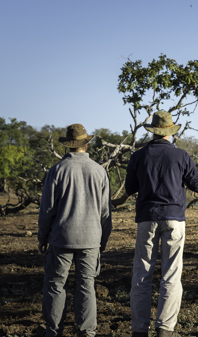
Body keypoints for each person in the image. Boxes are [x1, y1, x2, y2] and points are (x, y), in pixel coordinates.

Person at [125, 111, 198, 337]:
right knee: (171, 275)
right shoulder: (181, 155)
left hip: (146, 218)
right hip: (174, 219)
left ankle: (139, 330)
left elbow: (130, 188)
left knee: (141, 274)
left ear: (153, 131)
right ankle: (165, 329)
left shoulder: (138, 156)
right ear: (170, 132)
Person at [37, 124, 112, 337]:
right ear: (86, 144)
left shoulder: (57, 170)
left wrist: (42, 237)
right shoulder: (99, 171)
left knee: (55, 285)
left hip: (61, 238)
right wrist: (103, 239)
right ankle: (87, 332)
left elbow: (47, 211)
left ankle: (53, 330)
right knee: (87, 285)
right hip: (91, 239)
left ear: (67, 146)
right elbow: (106, 212)